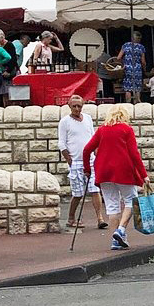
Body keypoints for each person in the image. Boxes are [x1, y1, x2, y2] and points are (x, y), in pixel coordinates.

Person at [82, 105, 149, 251]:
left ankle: (116, 241)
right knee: (131, 200)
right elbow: (134, 154)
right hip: (123, 170)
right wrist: (143, 174)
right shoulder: (127, 130)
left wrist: (87, 169)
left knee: (112, 205)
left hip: (104, 171)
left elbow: (86, 150)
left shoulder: (101, 130)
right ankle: (121, 230)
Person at [59, 94, 104, 229]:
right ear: (69, 106)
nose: (77, 109)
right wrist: (69, 160)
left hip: (90, 160)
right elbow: (62, 143)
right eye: (74, 106)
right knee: (78, 194)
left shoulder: (88, 119)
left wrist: (96, 154)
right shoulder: (65, 122)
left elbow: (93, 137)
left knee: (95, 190)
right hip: (76, 161)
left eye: (79, 106)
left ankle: (100, 218)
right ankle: (71, 217)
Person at [113, 31, 148, 104]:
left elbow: (118, 58)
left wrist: (123, 63)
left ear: (132, 38)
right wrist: (144, 70)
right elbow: (143, 61)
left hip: (127, 68)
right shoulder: (141, 47)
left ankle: (128, 103)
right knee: (137, 87)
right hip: (137, 69)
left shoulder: (126, 45)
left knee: (128, 88)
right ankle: (137, 102)